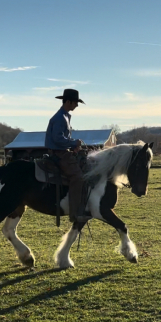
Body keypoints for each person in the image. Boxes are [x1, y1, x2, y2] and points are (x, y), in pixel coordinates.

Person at [45, 89, 88, 223]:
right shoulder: (60, 118)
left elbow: (63, 138)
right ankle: (75, 214)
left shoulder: (65, 116)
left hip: (63, 151)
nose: (77, 105)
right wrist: (73, 143)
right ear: (68, 102)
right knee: (77, 177)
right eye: (75, 102)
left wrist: (73, 145)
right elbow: (58, 139)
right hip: (59, 153)